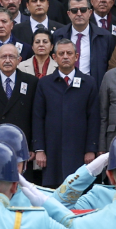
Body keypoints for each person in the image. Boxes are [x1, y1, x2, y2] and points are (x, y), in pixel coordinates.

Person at [32, 39, 99, 187]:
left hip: (79, 149)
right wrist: (39, 149)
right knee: (52, 189)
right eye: (61, 53)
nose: (65, 56)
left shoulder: (89, 83)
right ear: (54, 58)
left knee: (79, 189)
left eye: (69, 53)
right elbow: (38, 118)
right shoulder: (45, 83)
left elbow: (93, 118)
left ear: (77, 56)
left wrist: (91, 149)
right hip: (52, 149)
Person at [0, 43, 38, 139]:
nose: (7, 60)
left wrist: (32, 146)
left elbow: (35, 117)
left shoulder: (31, 82)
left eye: (11, 57)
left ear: (19, 60)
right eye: (3, 57)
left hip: (22, 141)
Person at [53, 0, 115, 84]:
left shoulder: (105, 37)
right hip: (64, 86)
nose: (79, 14)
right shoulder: (58, 35)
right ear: (69, 14)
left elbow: (110, 67)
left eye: (83, 10)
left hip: (93, 89)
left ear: (90, 12)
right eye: (74, 10)